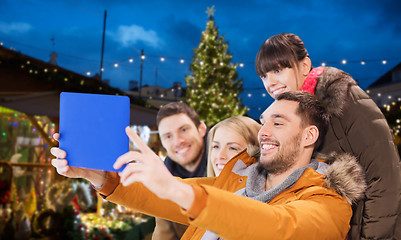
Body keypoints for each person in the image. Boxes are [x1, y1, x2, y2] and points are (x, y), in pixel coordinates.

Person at [51, 91, 366, 239]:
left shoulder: (328, 200)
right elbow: (161, 196)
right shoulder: (238, 179)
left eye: (278, 123)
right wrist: (97, 176)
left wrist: (179, 190)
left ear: (310, 135)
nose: (264, 131)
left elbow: (280, 226)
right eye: (263, 121)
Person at [255, 33, 401, 240]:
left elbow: (385, 173)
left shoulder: (344, 100)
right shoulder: (295, 114)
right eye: (263, 76)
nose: (270, 83)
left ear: (305, 66)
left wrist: (372, 237)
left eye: (277, 70)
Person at [153, 102, 208, 240]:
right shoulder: (165, 179)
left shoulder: (223, 164)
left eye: (184, 130)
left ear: (201, 129)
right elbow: (163, 233)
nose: (178, 141)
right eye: (168, 136)